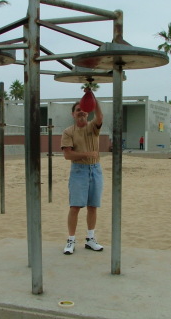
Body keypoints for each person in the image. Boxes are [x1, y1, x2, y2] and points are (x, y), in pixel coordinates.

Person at [60, 97, 104, 255]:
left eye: (84, 110)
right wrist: (87, 154)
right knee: (75, 206)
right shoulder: (68, 131)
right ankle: (71, 239)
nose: (81, 113)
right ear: (73, 114)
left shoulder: (93, 127)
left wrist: (93, 99)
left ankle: (90, 238)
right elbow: (68, 155)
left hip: (95, 169)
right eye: (78, 110)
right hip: (79, 171)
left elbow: (100, 117)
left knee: (93, 206)